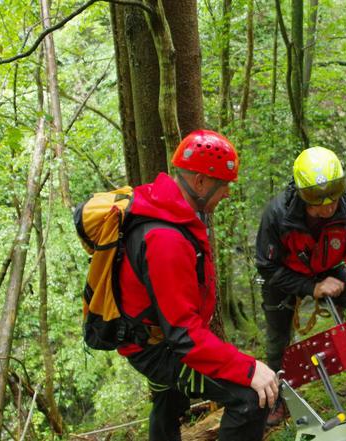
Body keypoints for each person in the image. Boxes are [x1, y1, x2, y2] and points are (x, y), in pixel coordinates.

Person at [117, 130, 277, 441]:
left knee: (169, 398)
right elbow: (183, 335)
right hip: (156, 346)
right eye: (224, 185)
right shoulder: (165, 238)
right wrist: (247, 369)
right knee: (249, 397)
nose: (227, 193)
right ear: (200, 182)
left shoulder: (167, 206)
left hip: (148, 336)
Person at [255, 147, 346, 425]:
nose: (328, 205)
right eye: (317, 199)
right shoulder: (277, 215)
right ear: (300, 193)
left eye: (334, 193)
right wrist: (312, 287)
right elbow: (267, 266)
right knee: (277, 339)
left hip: (332, 269)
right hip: (285, 276)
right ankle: (279, 399)